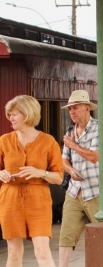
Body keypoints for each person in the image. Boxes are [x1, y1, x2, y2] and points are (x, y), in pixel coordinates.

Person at [0, 95, 63, 267]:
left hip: (38, 200)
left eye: (14, 114)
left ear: (27, 115)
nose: (10, 118)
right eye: (10, 114)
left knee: (42, 251)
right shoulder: (4, 141)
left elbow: (58, 177)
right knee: (13, 253)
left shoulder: (48, 142)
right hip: (10, 199)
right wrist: (1, 174)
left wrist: (40, 173)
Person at [58, 90, 100, 267]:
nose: (72, 112)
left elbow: (94, 157)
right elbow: (63, 160)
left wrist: (73, 145)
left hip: (95, 191)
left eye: (75, 108)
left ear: (87, 108)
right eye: (70, 109)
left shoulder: (99, 128)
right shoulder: (70, 130)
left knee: (102, 234)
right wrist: (71, 170)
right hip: (74, 191)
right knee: (66, 235)